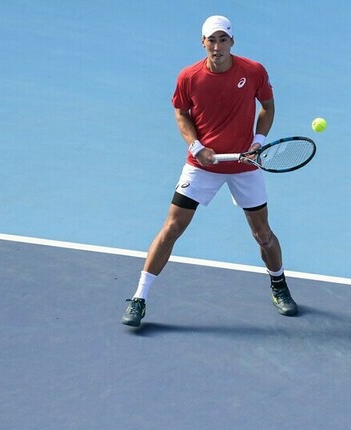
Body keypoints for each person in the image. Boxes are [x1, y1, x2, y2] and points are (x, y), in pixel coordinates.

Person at [122, 15, 298, 327]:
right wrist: (196, 147)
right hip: (202, 166)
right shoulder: (189, 77)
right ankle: (139, 297)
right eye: (212, 40)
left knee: (262, 234)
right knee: (172, 228)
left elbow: (268, 107)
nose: (217, 47)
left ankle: (279, 285)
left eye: (223, 40)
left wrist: (258, 143)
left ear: (232, 42)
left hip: (245, 166)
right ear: (203, 42)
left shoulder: (253, 71)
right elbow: (181, 114)